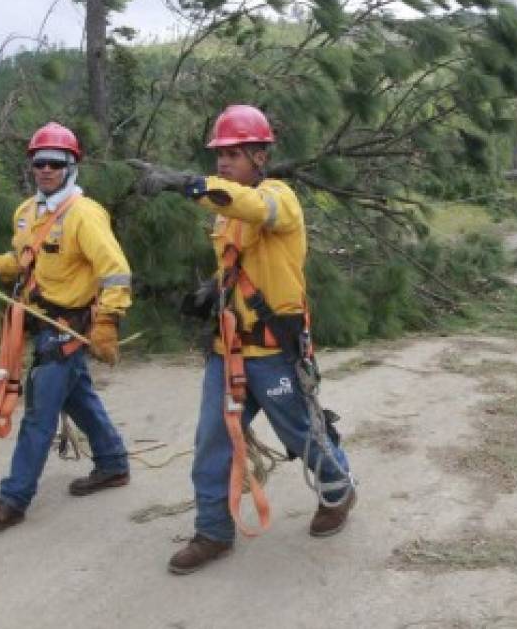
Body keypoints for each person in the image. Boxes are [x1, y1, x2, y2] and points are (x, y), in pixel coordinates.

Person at [135, 104, 355, 575]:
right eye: (219, 154)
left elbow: (255, 207)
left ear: (260, 155)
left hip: (274, 351)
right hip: (230, 350)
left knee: (304, 433)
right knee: (211, 443)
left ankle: (338, 492)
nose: (223, 161)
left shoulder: (279, 199)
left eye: (234, 153)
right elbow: (240, 261)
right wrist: (213, 291)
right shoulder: (226, 209)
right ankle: (212, 531)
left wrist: (189, 183)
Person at [0, 121, 133, 531]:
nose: (45, 169)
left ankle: (13, 498)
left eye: (55, 163)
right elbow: (23, 260)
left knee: (40, 411)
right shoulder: (27, 214)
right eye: (39, 162)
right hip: (39, 324)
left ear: (71, 166)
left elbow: (115, 270)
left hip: (67, 327)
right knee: (77, 396)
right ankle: (112, 463)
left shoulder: (85, 215)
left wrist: (108, 321)